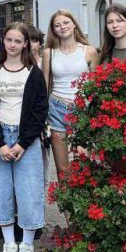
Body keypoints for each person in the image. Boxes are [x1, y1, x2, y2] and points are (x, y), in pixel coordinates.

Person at [0, 23, 48, 252]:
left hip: (25, 139)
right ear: (4, 41)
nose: (12, 45)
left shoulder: (33, 73)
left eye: (18, 41)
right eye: (9, 40)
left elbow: (40, 110)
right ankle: (9, 243)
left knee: (29, 191)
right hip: (0, 137)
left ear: (25, 44)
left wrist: (23, 143)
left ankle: (27, 244)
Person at [41, 10, 98, 182]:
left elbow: (96, 84)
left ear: (74, 24)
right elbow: (45, 86)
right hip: (57, 108)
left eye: (66, 22)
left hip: (82, 109)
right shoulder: (49, 53)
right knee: (63, 169)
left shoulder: (89, 51)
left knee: (83, 164)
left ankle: (84, 199)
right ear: (53, 29)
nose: (62, 27)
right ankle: (65, 200)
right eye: (57, 25)